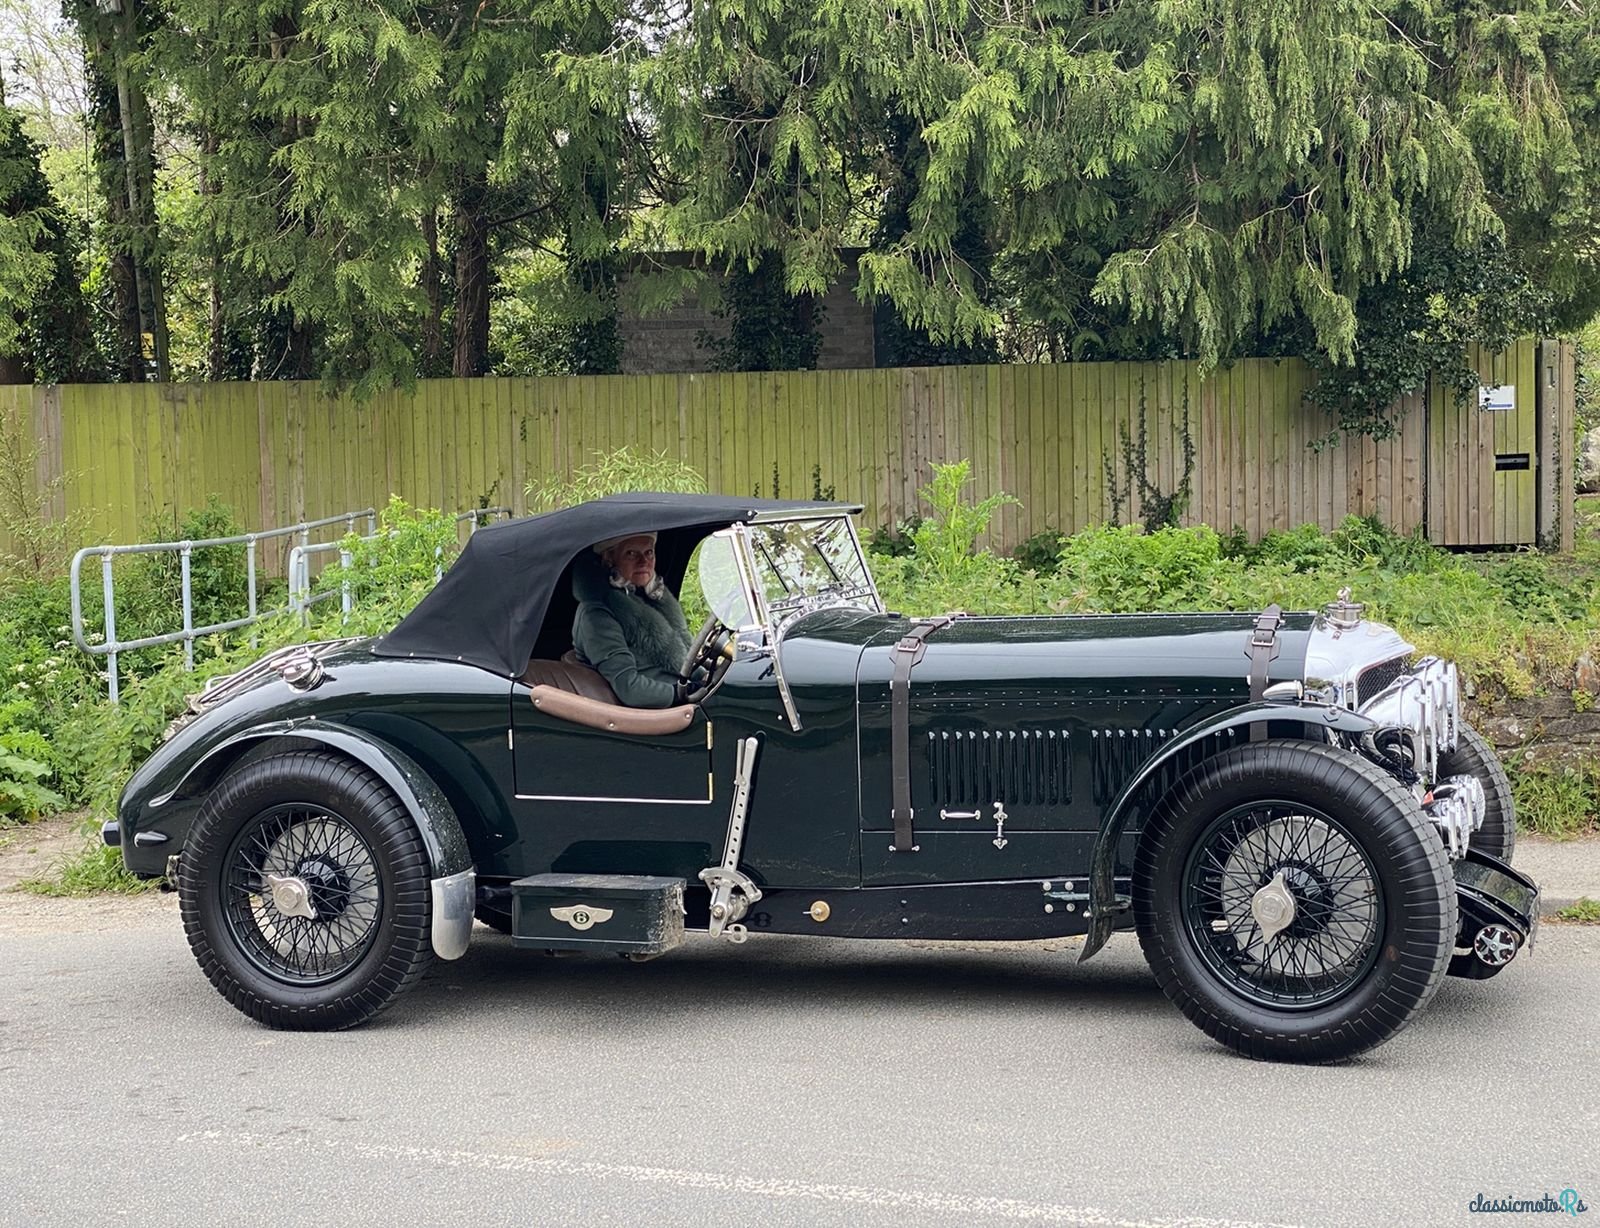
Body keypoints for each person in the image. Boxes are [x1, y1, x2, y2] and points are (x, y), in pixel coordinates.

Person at [571, 532, 692, 708]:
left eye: (649, 552)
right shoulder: (595, 614)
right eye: (632, 553)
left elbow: (686, 655)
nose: (644, 561)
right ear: (610, 559)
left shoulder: (645, 597)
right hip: (656, 715)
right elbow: (630, 688)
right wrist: (685, 692)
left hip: (682, 699)